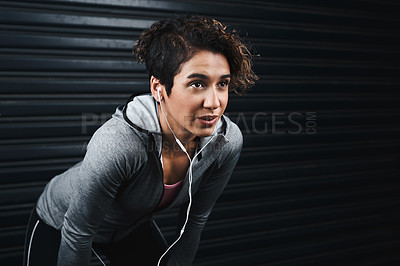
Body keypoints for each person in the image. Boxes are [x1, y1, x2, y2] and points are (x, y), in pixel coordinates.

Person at [23, 14, 258, 266]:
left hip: (129, 229)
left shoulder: (226, 142)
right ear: (158, 88)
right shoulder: (119, 143)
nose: (214, 103)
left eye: (222, 84)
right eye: (197, 84)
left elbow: (195, 219)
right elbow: (78, 233)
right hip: (61, 225)